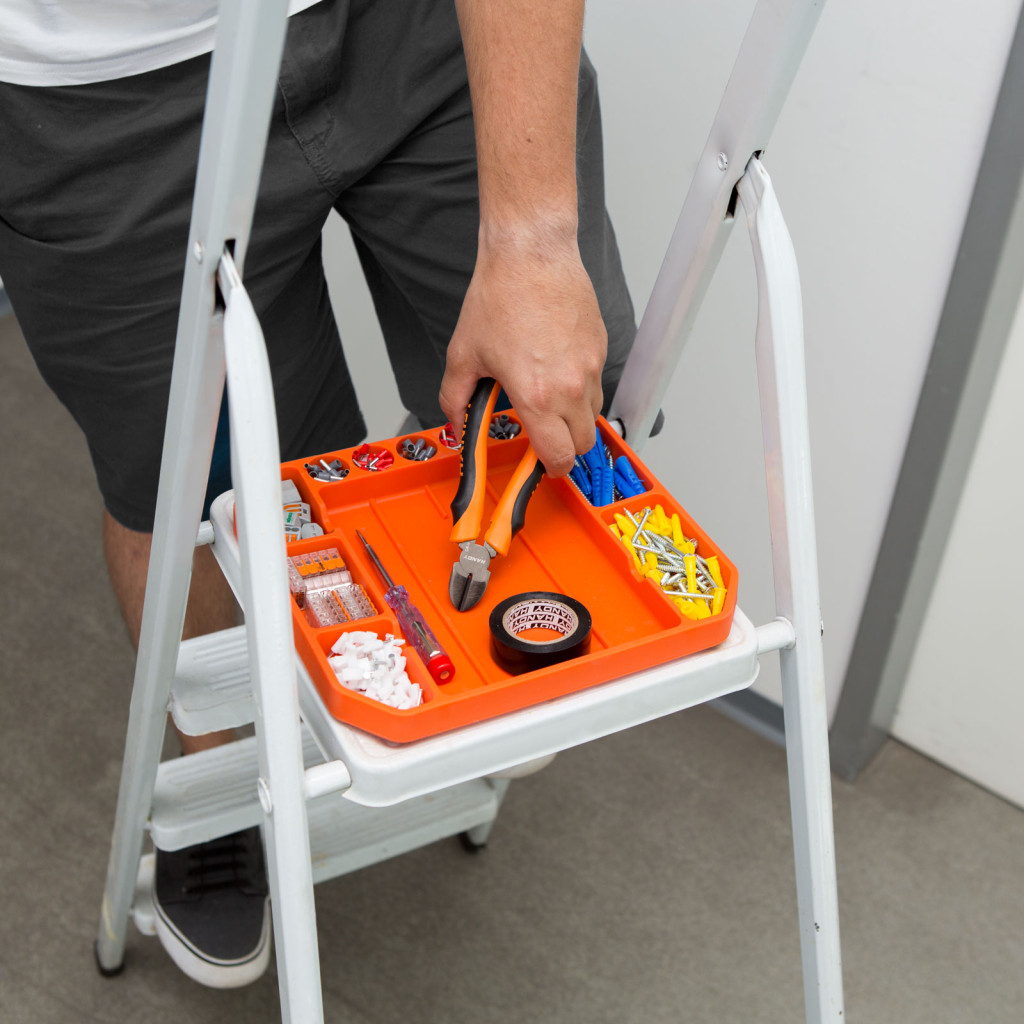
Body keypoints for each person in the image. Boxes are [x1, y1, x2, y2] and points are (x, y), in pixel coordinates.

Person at [0, 0, 636, 989]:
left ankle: (476, 640)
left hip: (403, 22)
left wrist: (533, 245)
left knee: (555, 398)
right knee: (213, 504)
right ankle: (218, 776)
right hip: (103, 86)